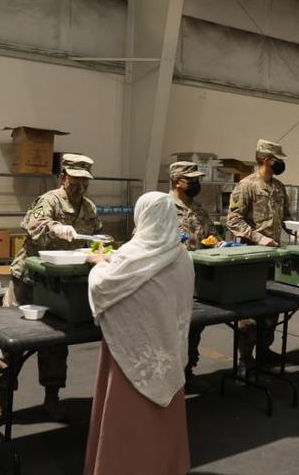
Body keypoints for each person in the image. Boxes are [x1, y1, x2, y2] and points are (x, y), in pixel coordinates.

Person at [84, 192, 192, 474]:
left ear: (140, 216)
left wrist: (98, 266)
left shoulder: (132, 255)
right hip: (167, 350)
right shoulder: (182, 256)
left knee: (126, 420)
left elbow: (103, 287)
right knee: (162, 421)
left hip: (131, 354)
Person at [0, 154, 102, 422]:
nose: (79, 185)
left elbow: (94, 240)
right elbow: (35, 225)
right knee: (10, 343)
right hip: (29, 280)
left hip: (59, 285)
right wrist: (55, 227)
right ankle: (0, 403)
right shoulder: (49, 200)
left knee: (55, 343)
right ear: (63, 177)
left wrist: (99, 248)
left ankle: (52, 399)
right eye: (74, 179)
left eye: (84, 180)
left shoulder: (90, 208)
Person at [227, 139, 299, 374]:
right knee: (249, 312)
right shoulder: (246, 186)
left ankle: (264, 350)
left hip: (273, 257)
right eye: (277, 159)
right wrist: (258, 237)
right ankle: (245, 357)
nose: (281, 163)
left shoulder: (279, 187)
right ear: (266, 159)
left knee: (272, 307)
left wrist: (297, 231)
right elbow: (233, 220)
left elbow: (285, 218)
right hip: (251, 257)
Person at [169, 161, 220, 389]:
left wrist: (218, 243)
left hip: (196, 280)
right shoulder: (163, 207)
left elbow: (212, 236)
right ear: (178, 181)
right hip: (170, 280)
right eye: (193, 181)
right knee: (170, 330)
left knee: (194, 326)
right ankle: (170, 376)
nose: (197, 184)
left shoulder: (199, 209)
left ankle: (188, 370)